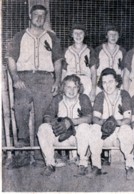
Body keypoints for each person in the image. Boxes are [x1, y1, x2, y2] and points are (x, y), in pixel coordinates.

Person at [6, 5, 63, 147]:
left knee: (42, 113)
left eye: (42, 15)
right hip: (24, 78)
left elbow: (58, 60)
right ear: (30, 16)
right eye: (36, 14)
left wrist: (57, 81)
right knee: (21, 104)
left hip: (45, 78)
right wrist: (15, 78)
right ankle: (23, 143)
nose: (39, 18)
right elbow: (10, 59)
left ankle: (40, 151)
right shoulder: (19, 36)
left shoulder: (51, 37)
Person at [37, 75, 92, 176]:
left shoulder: (83, 98)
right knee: (43, 128)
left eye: (75, 87)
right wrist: (55, 122)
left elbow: (89, 118)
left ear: (79, 88)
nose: (72, 90)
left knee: (84, 127)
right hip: (61, 135)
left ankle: (83, 163)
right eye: (68, 87)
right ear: (63, 87)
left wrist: (71, 122)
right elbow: (47, 116)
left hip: (77, 138)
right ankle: (50, 164)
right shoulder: (58, 98)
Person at [89, 68, 134, 180]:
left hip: (119, 132)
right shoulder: (100, 96)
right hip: (105, 132)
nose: (107, 85)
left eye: (110, 82)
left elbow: (127, 119)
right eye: (104, 82)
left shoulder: (124, 94)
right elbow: (95, 118)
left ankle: (130, 166)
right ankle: (96, 166)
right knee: (94, 128)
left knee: (126, 129)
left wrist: (114, 122)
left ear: (117, 82)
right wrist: (105, 123)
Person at [62, 23, 97, 101]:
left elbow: (94, 72)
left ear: (84, 35)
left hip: (86, 81)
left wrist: (94, 89)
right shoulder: (67, 51)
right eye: (75, 33)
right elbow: (63, 71)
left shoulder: (89, 50)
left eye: (81, 33)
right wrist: (62, 87)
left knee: (86, 105)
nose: (78, 36)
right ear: (72, 35)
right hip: (70, 82)